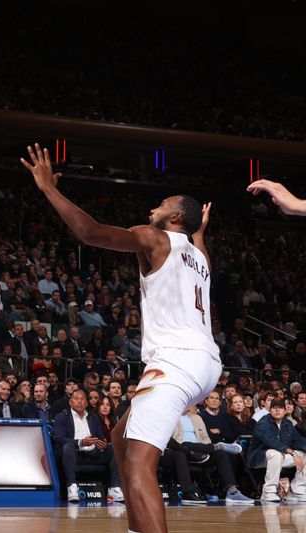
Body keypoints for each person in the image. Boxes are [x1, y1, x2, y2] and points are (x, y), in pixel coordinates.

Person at [21, 144, 220, 533]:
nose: (153, 209)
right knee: (119, 437)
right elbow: (197, 244)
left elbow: (90, 232)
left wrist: (47, 188)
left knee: (137, 461)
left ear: (175, 216)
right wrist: (200, 232)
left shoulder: (155, 239)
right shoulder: (201, 257)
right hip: (206, 364)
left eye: (162, 204)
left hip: (176, 363)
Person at [53, 390, 123, 503]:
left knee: (112, 449)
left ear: (86, 403)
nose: (79, 401)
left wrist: (101, 443)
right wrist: (81, 442)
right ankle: (72, 487)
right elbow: (59, 438)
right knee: (68, 447)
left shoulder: (93, 417)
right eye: (76, 399)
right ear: (70, 402)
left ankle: (114, 489)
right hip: (75, 452)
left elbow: (99, 436)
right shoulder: (62, 417)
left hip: (93, 452)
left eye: (82, 399)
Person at [249, 398, 306, 502]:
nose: (277, 410)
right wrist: (292, 452)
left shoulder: (287, 423)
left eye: (280, 408)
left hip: (281, 456)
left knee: (303, 455)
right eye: (274, 408)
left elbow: (297, 440)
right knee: (276, 454)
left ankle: (297, 490)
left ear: (285, 411)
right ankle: (269, 491)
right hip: (259, 457)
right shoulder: (263, 423)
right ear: (270, 410)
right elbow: (271, 441)